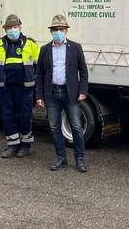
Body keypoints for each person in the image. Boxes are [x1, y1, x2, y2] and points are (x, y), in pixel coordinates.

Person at [36, 14, 90, 172]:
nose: (58, 32)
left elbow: (83, 72)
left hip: (70, 93)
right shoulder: (45, 50)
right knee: (54, 127)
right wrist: (39, 95)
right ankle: (61, 157)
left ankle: (80, 158)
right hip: (52, 93)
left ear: (66, 31)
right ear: (50, 32)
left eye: (61, 29)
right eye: (55, 29)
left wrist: (83, 91)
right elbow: (39, 75)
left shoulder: (75, 47)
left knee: (76, 127)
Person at [0, 14, 40, 158]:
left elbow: (39, 68)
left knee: (25, 116)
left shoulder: (31, 44)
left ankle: (25, 145)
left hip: (24, 88)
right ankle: (12, 145)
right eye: (10, 28)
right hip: (4, 88)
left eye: (15, 27)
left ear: (20, 28)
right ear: (5, 30)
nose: (12, 30)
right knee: (7, 116)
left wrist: (37, 88)